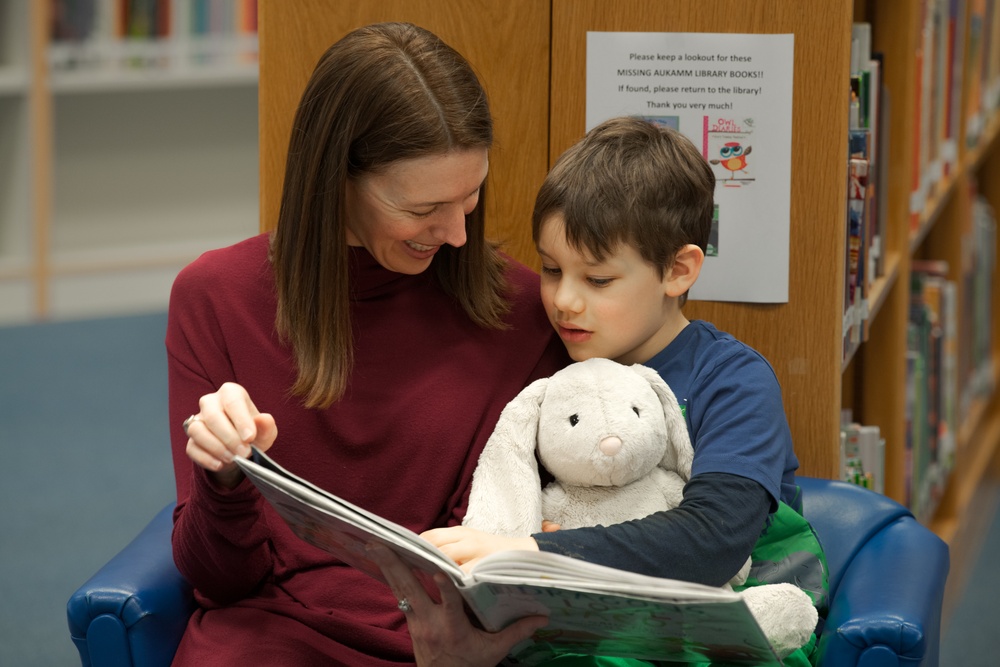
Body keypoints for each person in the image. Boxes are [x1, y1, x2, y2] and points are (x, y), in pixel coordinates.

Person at [167, 22, 569, 666]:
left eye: (470, 198)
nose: (456, 234)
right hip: (273, 638)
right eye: (422, 209)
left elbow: (515, 554)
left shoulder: (524, 311)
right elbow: (218, 580)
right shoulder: (216, 298)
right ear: (338, 181)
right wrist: (222, 480)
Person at [419, 117, 826, 665]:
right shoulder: (551, 369)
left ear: (678, 270)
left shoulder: (731, 380)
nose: (564, 300)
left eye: (598, 280)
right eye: (550, 269)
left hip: (720, 637)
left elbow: (713, 538)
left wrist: (533, 551)